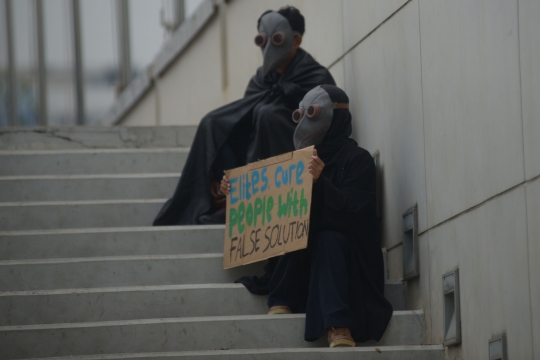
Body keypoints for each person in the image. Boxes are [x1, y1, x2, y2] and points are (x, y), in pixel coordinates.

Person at [223, 85, 393, 347]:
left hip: (345, 267)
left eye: (311, 114)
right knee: (296, 221)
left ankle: (338, 324)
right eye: (301, 114)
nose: (303, 122)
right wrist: (236, 192)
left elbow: (355, 216)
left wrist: (321, 183)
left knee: (328, 238)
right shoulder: (294, 163)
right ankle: (283, 295)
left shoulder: (357, 160)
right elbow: (270, 207)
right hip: (305, 268)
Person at [153, 6, 335, 226]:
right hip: (253, 151)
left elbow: (324, 130)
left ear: (295, 40)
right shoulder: (260, 79)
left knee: (267, 115)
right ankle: (227, 200)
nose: (268, 46)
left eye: (276, 39)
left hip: (293, 158)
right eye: (262, 40)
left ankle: (253, 201)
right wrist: (217, 176)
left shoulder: (316, 76)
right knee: (215, 123)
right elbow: (241, 122)